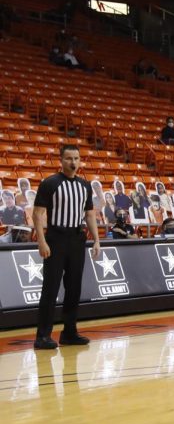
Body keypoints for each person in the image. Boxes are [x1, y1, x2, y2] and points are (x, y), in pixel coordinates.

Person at [32, 145, 101, 349]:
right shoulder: (50, 183)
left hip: (77, 239)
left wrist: (96, 239)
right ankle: (42, 336)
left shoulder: (84, 186)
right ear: (60, 160)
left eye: (77, 158)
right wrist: (42, 241)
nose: (73, 162)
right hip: (55, 238)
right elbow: (37, 214)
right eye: (69, 158)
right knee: (50, 288)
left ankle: (69, 333)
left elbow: (89, 214)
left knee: (74, 288)